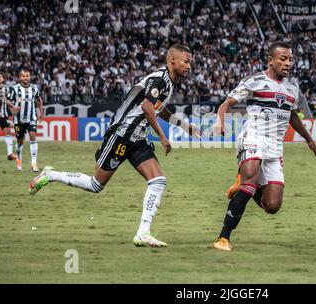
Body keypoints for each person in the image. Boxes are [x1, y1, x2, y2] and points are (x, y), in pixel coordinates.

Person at [29, 44, 201, 247]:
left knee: (158, 181)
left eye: (190, 62)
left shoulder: (169, 83)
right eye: (186, 61)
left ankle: (143, 233)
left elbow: (158, 108)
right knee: (95, 185)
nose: (189, 65)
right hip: (122, 134)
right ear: (172, 59)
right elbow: (147, 107)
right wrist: (162, 136)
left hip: (137, 138)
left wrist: (183, 125)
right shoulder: (159, 79)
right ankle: (50, 175)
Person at [212, 42, 316, 251]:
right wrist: (220, 120)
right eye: (283, 59)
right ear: (270, 60)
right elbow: (227, 103)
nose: (287, 63)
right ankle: (223, 237)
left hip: (274, 146)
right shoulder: (254, 81)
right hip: (253, 136)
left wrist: (309, 139)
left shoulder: (292, 88)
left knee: (271, 206)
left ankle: (242, 184)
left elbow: (292, 116)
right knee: (251, 180)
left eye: (290, 59)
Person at [7, 69, 43, 171]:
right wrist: (13, 106)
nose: (25, 78)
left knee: (33, 136)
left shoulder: (34, 89)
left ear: (30, 77)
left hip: (31, 118)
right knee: (20, 141)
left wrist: (41, 112)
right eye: (23, 76)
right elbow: (8, 100)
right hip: (18, 120)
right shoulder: (14, 89)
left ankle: (33, 164)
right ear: (20, 77)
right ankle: (18, 160)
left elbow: (39, 99)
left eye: (27, 76)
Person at [0, 72, 17, 161]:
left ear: (3, 79)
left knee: (8, 133)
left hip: (3, 115)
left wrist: (13, 107)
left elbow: (7, 101)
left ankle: (10, 154)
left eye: (1, 77)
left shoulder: (7, 89)